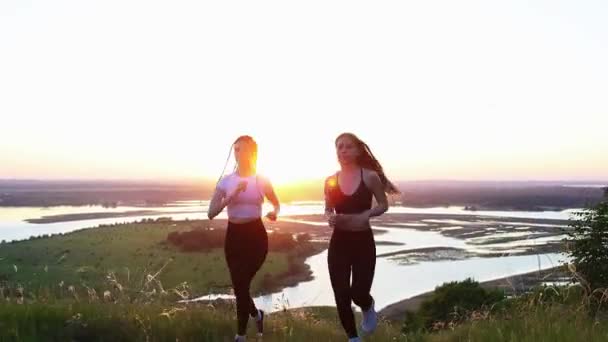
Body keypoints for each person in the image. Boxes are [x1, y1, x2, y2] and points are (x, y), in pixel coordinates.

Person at [324, 132, 399, 341]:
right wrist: (330, 217)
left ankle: (367, 305)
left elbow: (383, 205)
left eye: (348, 146)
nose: (343, 150)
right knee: (341, 294)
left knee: (358, 293)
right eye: (339, 147)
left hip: (362, 242)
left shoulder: (369, 177)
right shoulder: (330, 181)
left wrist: (366, 214)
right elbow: (328, 208)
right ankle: (353, 338)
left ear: (357, 151)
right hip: (339, 243)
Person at [208, 135, 280, 342]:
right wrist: (230, 197)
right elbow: (211, 212)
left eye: (245, 149)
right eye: (237, 149)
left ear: (254, 153)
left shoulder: (261, 180)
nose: (241, 153)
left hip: (256, 237)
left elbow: (276, 202)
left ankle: (240, 336)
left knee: (241, 285)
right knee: (240, 286)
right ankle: (257, 316)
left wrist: (275, 212)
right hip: (234, 237)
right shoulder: (226, 181)